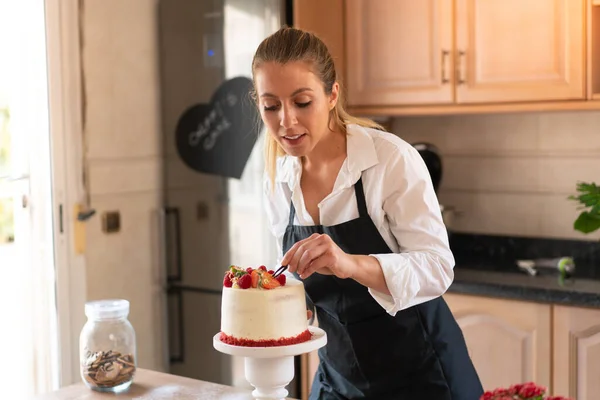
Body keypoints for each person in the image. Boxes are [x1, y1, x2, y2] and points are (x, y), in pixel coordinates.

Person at [252, 26, 483, 400]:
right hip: (338, 378)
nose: (286, 121)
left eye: (302, 102)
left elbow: (438, 268)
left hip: (421, 376)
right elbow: (301, 287)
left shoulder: (389, 160)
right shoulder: (278, 178)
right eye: (271, 106)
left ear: (332, 95)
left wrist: (349, 264)